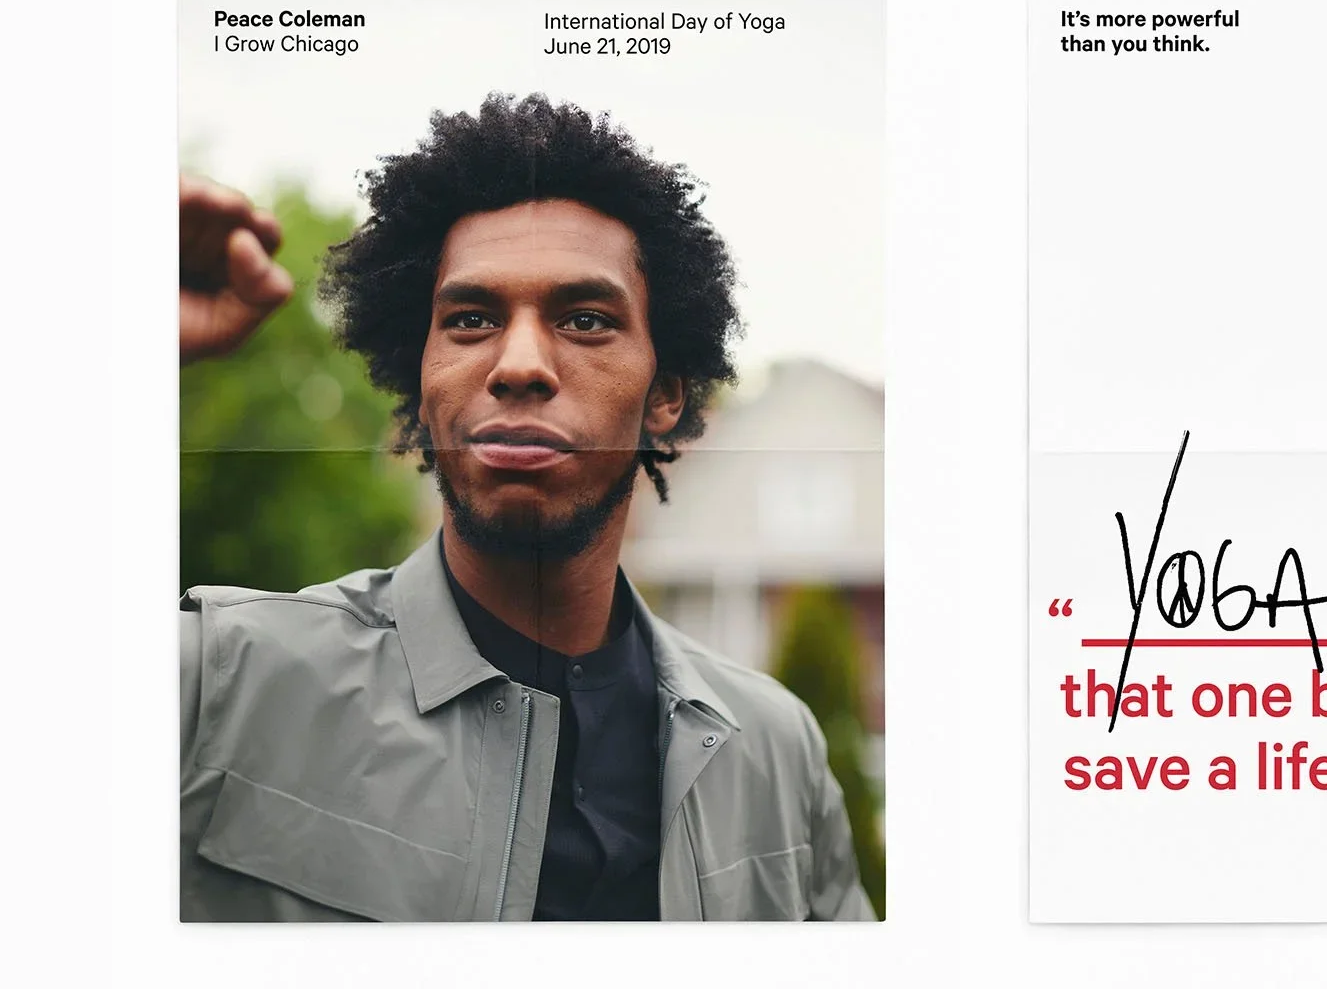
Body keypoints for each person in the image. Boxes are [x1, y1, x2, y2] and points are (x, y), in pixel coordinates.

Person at [177, 93, 875, 922]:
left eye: (584, 320)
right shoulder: (219, 680)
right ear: (421, 383)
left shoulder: (775, 750)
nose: (518, 365)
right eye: (470, 319)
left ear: (665, 397)